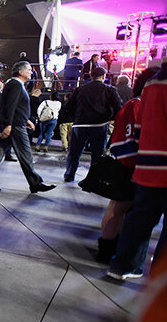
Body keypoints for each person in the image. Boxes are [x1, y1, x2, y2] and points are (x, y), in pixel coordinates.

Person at [107, 65, 167, 281]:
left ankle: (124, 265)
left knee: (140, 218)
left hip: (147, 164)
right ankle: (159, 279)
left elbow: (140, 128)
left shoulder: (152, 84)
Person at [0, 61, 56, 193]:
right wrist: (9, 125)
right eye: (29, 70)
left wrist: (25, 120)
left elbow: (15, 107)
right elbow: (9, 106)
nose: (31, 72)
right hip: (15, 127)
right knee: (25, 154)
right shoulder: (15, 84)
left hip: (15, 124)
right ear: (20, 72)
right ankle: (35, 183)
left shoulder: (15, 84)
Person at [61, 66, 122, 183]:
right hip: (99, 125)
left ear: (91, 76)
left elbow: (68, 107)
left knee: (74, 152)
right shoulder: (109, 89)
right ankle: (94, 178)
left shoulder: (80, 89)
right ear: (103, 76)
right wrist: (112, 119)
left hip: (80, 125)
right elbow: (118, 106)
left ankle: (69, 174)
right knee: (97, 154)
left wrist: (76, 117)